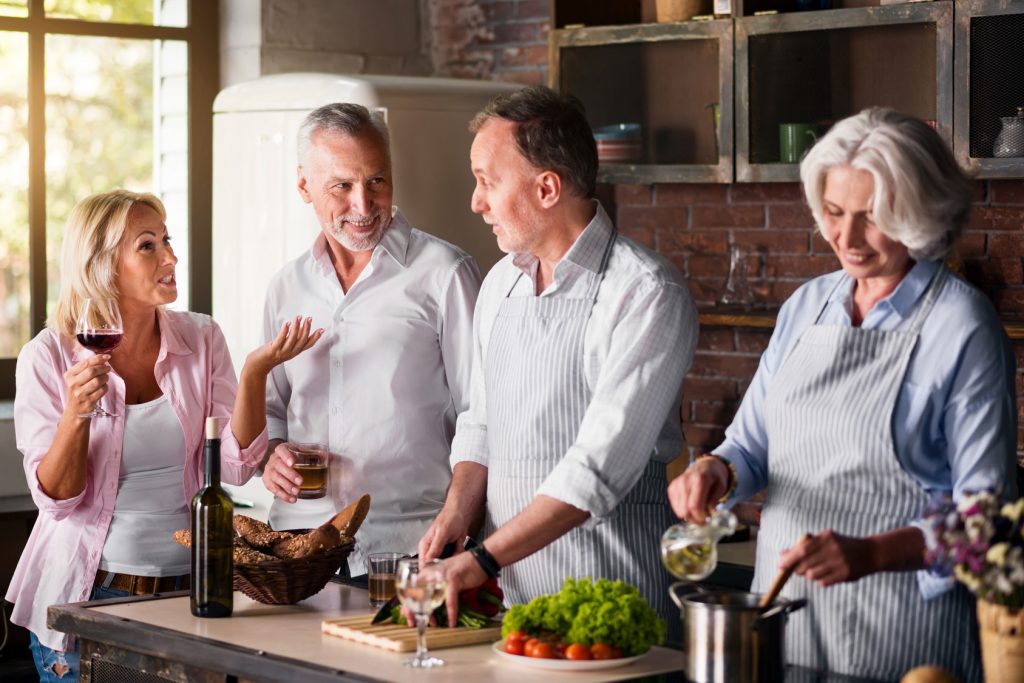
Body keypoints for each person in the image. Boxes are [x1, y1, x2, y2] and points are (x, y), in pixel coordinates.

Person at [668, 108, 1017, 683]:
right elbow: (750, 448)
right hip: (783, 629)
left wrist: (873, 553)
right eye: (833, 213)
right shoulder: (807, 307)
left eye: (872, 217)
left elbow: (987, 520)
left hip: (906, 641)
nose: (846, 239)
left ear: (917, 213)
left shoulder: (963, 327)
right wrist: (715, 472)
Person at [9, 189, 320, 681]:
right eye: (148, 245)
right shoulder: (49, 356)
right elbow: (59, 500)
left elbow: (236, 467)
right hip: (93, 598)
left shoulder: (201, 338)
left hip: (189, 594)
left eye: (167, 240)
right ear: (102, 262)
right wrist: (76, 413)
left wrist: (257, 370)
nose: (171, 256)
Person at [418, 86, 698, 629]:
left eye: (487, 181)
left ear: (547, 188)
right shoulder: (501, 282)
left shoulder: (646, 293)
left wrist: (482, 558)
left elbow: (597, 469)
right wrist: (456, 514)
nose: (476, 202)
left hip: (616, 606)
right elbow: (481, 422)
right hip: (518, 606)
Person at [258, 103, 481, 574]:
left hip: (409, 550)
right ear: (304, 186)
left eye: (376, 181)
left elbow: (481, 416)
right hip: (299, 550)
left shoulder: (444, 273)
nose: (363, 205)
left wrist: (463, 523)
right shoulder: (286, 286)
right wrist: (270, 455)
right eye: (341, 185)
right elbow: (271, 409)